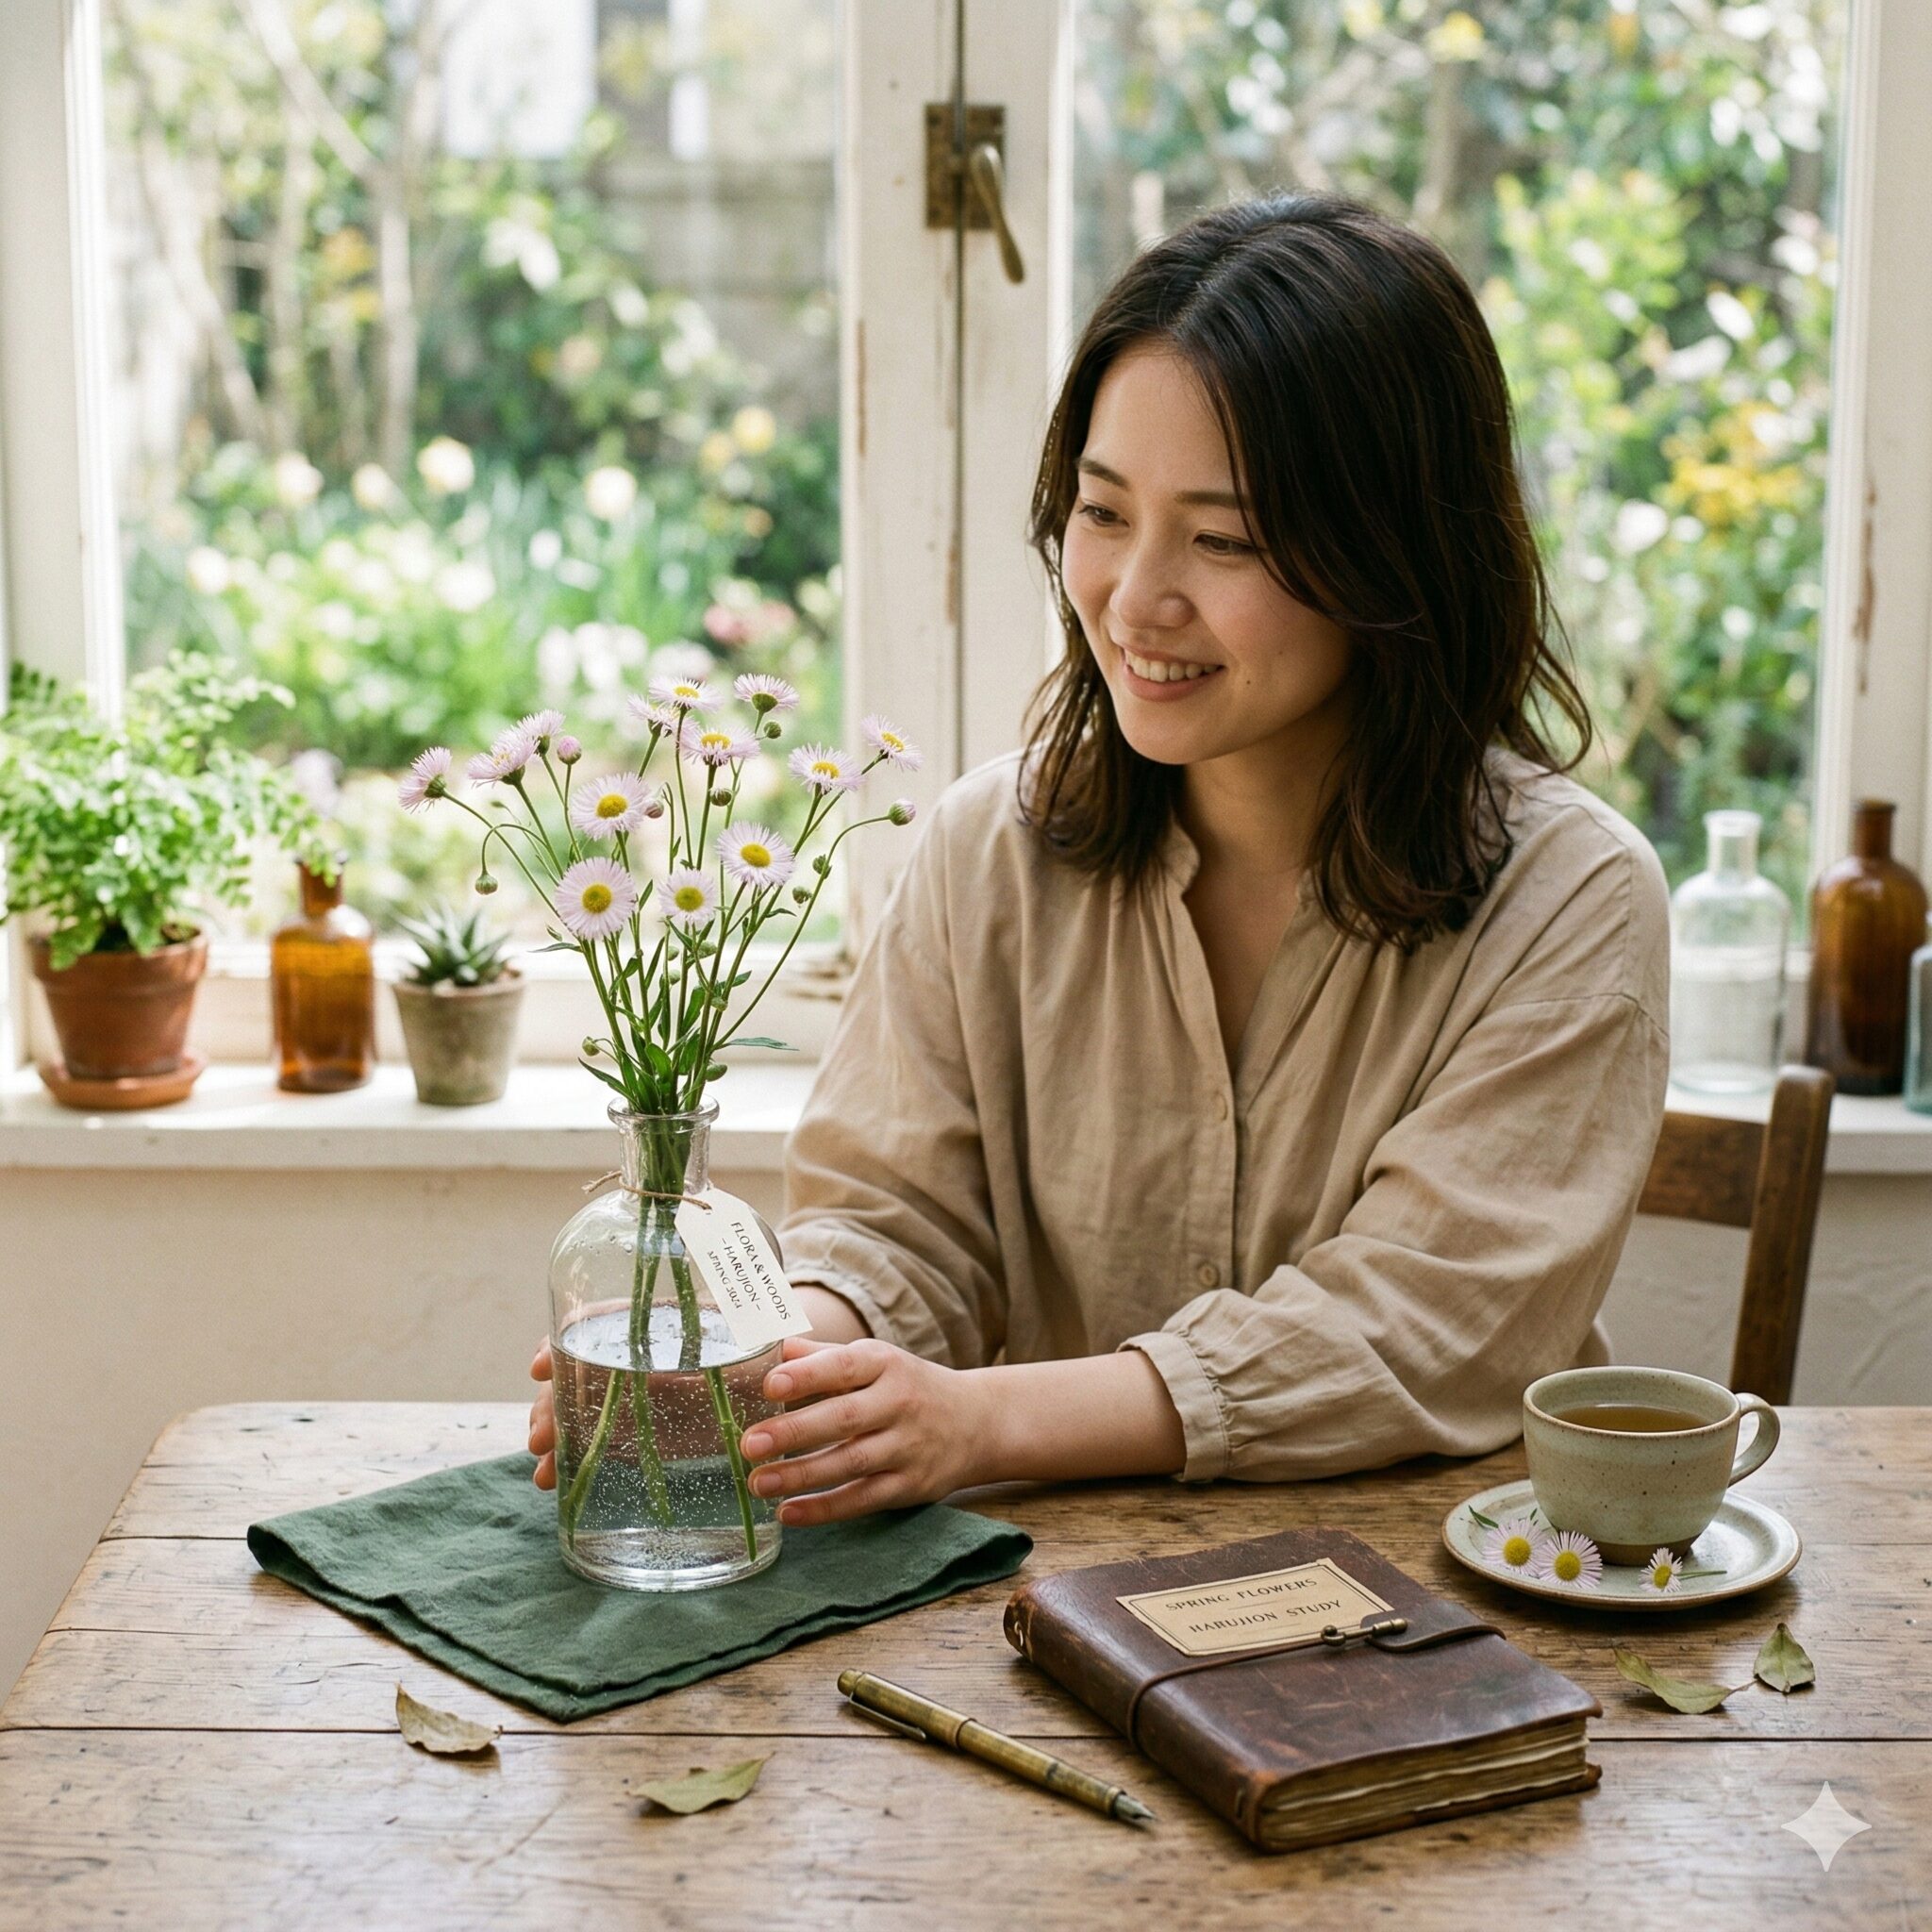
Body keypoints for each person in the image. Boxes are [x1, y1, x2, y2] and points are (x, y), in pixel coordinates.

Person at [526, 191, 1671, 1525]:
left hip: (1434, 1623)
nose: (1134, 598)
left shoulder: (1571, 897)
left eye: (1225, 538)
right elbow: (898, 1229)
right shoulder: (985, 852)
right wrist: (782, 1371)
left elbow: (1423, 1322)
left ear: (1398, 556)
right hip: (1047, 1621)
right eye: (1103, 512)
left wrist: (979, 1421)